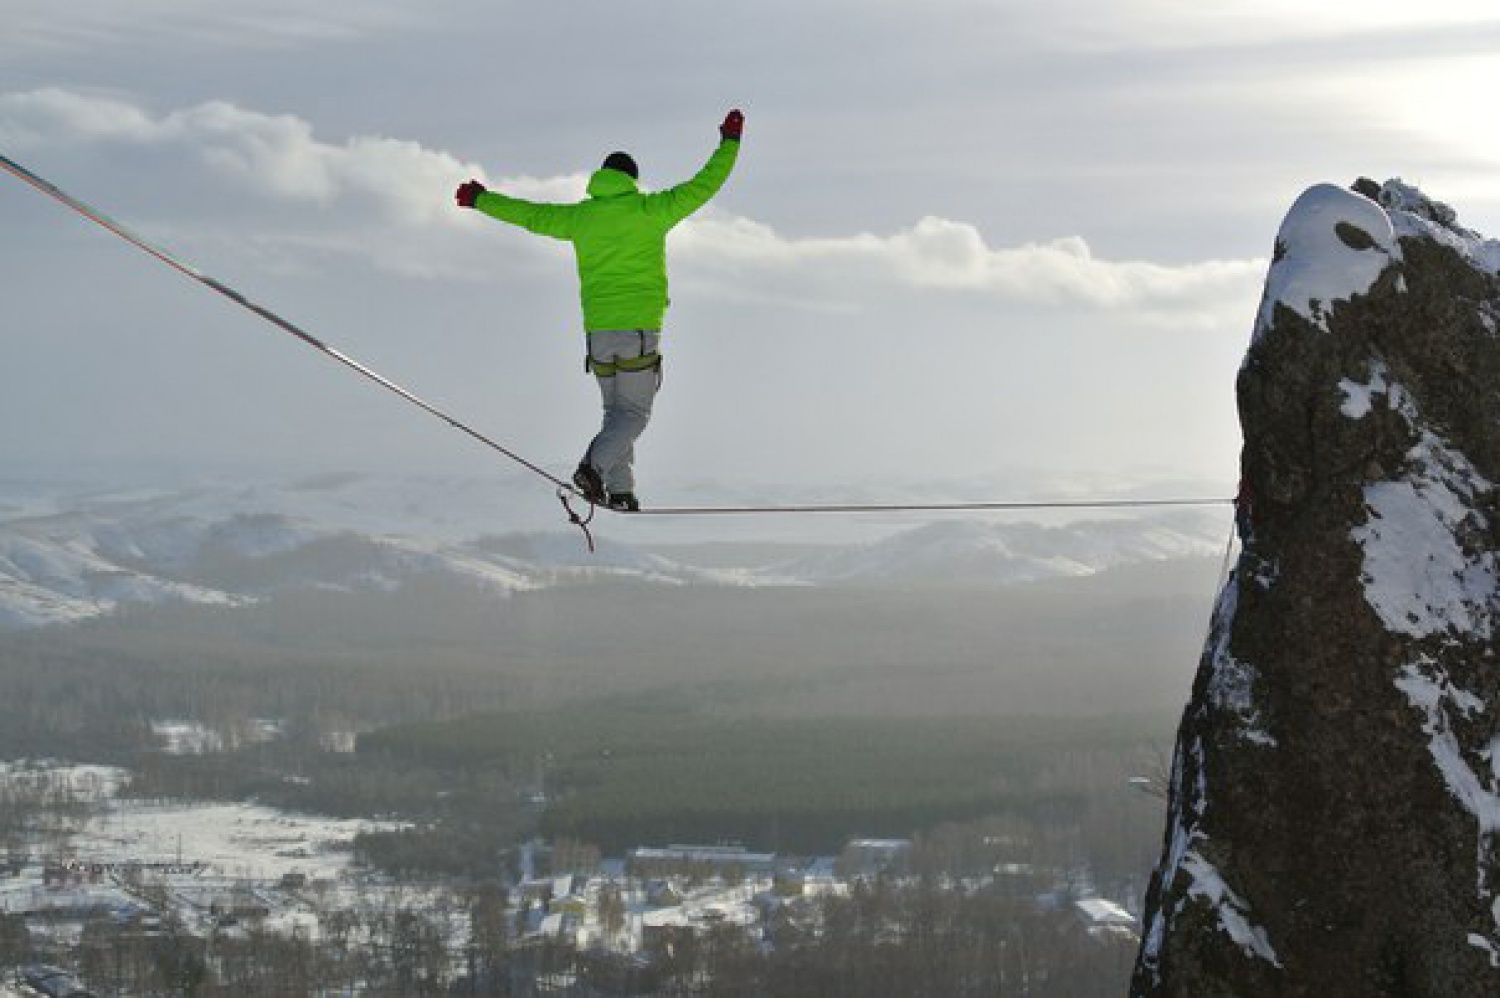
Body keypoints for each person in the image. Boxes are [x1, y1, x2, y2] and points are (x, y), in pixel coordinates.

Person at [455, 109, 745, 511]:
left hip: (597, 336)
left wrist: (481, 199)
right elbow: (704, 185)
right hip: (638, 331)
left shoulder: (581, 218)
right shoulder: (651, 211)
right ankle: (592, 468)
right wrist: (730, 143)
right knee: (635, 416)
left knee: (615, 415)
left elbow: (531, 216)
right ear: (633, 180)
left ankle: (621, 491)